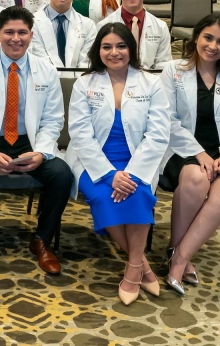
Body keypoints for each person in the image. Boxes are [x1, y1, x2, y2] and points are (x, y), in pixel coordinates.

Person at [0, 6, 71, 277]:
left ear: (31, 35)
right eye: (9, 32)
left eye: (22, 32)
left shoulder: (46, 71)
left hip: (30, 142)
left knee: (62, 175)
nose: (15, 38)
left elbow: (53, 120)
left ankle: (41, 240)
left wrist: (42, 152)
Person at [67, 23, 169, 305]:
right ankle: (142, 266)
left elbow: (158, 134)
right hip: (95, 162)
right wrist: (110, 174)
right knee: (102, 196)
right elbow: (80, 134)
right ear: (98, 50)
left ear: (131, 49)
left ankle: (133, 269)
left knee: (139, 193)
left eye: (121, 46)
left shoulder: (151, 83)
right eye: (107, 46)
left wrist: (133, 174)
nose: (114, 53)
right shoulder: (85, 84)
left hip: (139, 160)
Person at [160, 14, 220, 295]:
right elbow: (166, 120)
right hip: (181, 149)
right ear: (196, 38)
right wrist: (198, 152)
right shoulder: (173, 70)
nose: (213, 46)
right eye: (208, 37)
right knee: (196, 178)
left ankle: (178, 256)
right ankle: (179, 256)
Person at [97, 0, 172, 69]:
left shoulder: (160, 26)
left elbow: (163, 63)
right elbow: (99, 61)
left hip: (149, 80)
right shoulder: (103, 25)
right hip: (113, 79)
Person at [29, 0, 97, 69]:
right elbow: (38, 58)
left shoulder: (88, 25)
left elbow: (86, 62)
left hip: (78, 81)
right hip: (43, 81)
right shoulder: (32, 22)